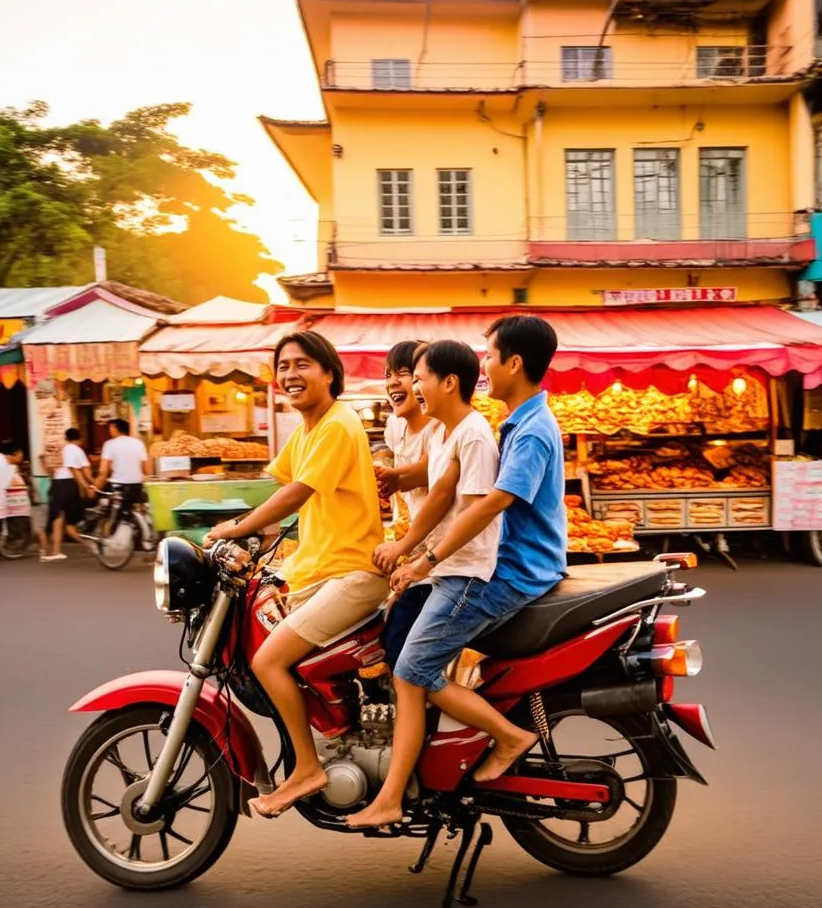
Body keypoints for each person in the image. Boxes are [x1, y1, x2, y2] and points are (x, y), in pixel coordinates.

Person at [347, 315, 567, 829]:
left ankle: (502, 740)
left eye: (490, 356)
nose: (485, 366)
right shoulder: (508, 423)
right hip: (485, 563)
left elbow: (488, 505)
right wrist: (407, 545)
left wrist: (424, 559)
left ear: (514, 362)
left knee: (411, 670)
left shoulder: (524, 431)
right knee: (408, 656)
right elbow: (442, 488)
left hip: (505, 570)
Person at [202, 331, 389, 817]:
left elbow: (296, 493)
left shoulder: (336, 423)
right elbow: (284, 491)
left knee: (268, 662)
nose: (290, 374)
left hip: (351, 574)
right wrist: (256, 538)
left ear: (329, 372)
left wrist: (235, 526)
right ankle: (336, 734)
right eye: (283, 365)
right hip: (320, 571)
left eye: (303, 364)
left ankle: (307, 768)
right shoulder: (307, 430)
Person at [375, 340, 436, 669]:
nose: (392, 382)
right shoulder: (395, 427)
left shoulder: (441, 428)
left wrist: (388, 477)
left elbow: (425, 471)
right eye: (388, 374)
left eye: (403, 373)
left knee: (403, 656)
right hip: (410, 551)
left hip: (437, 561)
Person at [45, 428, 93, 562]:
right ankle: (86, 544)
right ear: (80, 438)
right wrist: (90, 484)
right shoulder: (78, 451)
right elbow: (84, 472)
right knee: (66, 521)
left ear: (66, 438)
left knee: (59, 518)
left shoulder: (63, 449)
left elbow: (68, 469)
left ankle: (56, 550)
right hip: (69, 485)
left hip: (59, 484)